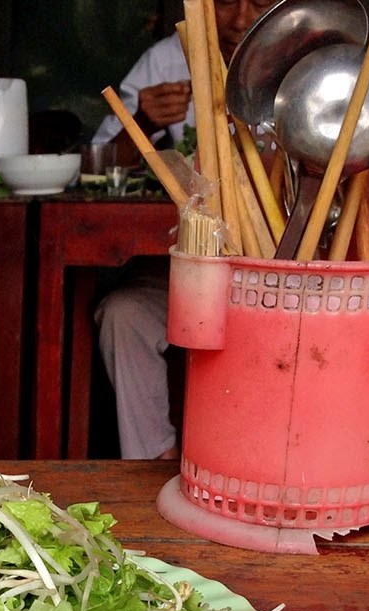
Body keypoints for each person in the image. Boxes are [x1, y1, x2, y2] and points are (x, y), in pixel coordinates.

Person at [91, 0, 274, 462]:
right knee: (125, 314)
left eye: (260, 2)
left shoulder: (303, 62)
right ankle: (152, 465)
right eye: (228, 2)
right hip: (192, 268)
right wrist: (146, 124)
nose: (240, 19)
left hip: (280, 273)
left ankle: (259, 465)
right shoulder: (169, 57)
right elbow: (99, 165)